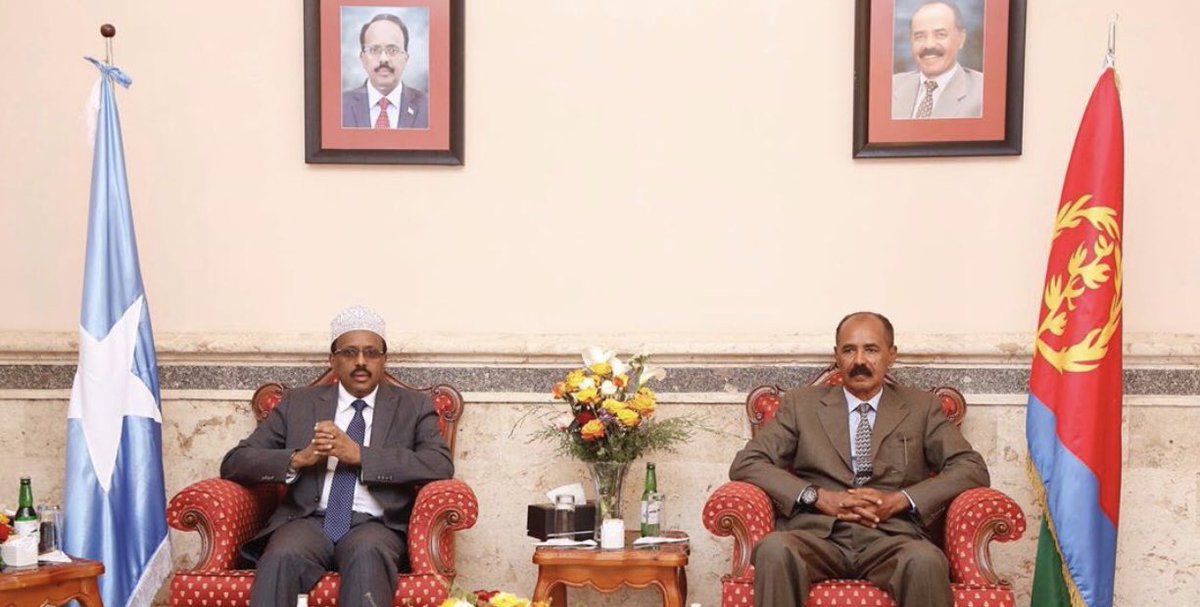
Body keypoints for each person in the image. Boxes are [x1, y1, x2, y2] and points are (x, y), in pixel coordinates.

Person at [729, 311, 989, 607]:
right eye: (849, 350)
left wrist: (901, 500)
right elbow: (747, 462)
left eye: (871, 349)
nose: (860, 361)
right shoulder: (801, 406)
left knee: (926, 559)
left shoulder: (921, 408)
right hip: (816, 536)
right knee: (774, 548)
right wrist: (817, 496)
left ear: (891, 355)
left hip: (893, 537)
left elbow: (971, 468)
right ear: (837, 356)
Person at [221, 304, 453, 606]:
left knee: (368, 552)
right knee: (282, 553)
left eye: (371, 353)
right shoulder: (298, 404)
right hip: (308, 520)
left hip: (376, 524)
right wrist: (298, 459)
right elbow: (235, 462)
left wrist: (361, 455)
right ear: (332, 359)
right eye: (349, 353)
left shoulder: (413, 406)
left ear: (383, 359)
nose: (360, 362)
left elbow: (439, 464)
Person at [891, 1, 983, 119]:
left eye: (940, 34)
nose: (929, 45)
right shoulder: (890, 87)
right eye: (919, 36)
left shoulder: (984, 92)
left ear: (961, 39)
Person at [342, 14, 429, 129]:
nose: (384, 59)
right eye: (374, 50)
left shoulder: (429, 107)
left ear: (406, 58)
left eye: (393, 50)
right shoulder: (340, 105)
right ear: (362, 58)